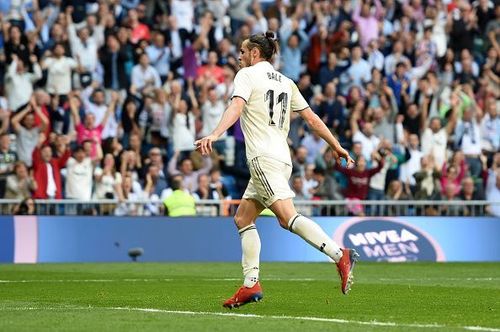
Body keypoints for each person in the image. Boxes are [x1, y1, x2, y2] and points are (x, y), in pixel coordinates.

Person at [195, 31, 358, 309]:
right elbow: (312, 119)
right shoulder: (286, 82)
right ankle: (250, 284)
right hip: (282, 159)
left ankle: (339, 254)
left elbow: (236, 106)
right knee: (243, 218)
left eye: (243, 52)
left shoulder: (247, 75)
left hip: (262, 158)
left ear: (255, 54)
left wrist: (215, 133)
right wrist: (336, 145)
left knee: (286, 217)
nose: (240, 56)